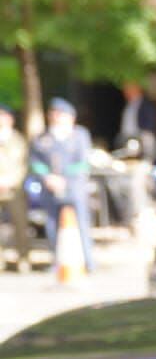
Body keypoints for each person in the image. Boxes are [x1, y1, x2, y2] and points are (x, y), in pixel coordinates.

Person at [30, 98, 95, 274]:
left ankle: (88, 261)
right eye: (54, 114)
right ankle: (57, 261)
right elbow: (35, 162)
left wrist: (64, 178)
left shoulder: (80, 135)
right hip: (50, 188)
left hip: (74, 187)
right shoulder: (42, 138)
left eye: (61, 114)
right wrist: (47, 177)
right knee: (52, 225)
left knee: (81, 223)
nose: (57, 117)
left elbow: (83, 162)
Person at [0, 107, 29, 271]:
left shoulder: (18, 140)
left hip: (14, 189)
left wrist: (9, 182)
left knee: (20, 225)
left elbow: (23, 166)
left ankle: (23, 258)